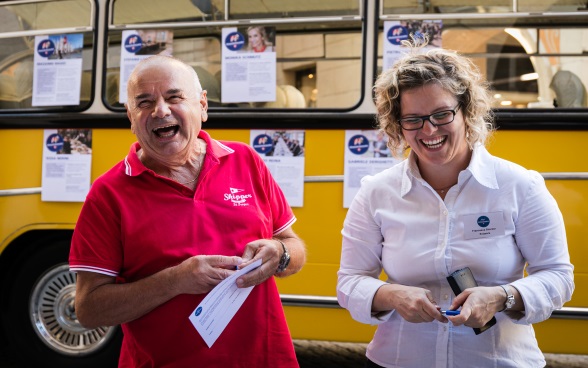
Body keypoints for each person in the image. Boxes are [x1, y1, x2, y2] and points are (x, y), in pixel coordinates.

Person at [336, 41, 574, 368]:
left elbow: (558, 276)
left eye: (441, 114)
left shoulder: (520, 185)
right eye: (413, 119)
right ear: (398, 125)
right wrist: (391, 295)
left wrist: (501, 297)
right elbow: (349, 282)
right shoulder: (376, 192)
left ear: (466, 111)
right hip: (399, 360)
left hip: (498, 361)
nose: (429, 129)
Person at [69, 55, 306, 367]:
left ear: (203, 106)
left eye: (174, 96)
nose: (161, 110)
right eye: (144, 101)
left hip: (265, 358)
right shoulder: (108, 194)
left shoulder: (246, 160)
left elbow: (293, 246)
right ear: (131, 116)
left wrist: (281, 253)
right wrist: (175, 280)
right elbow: (88, 309)